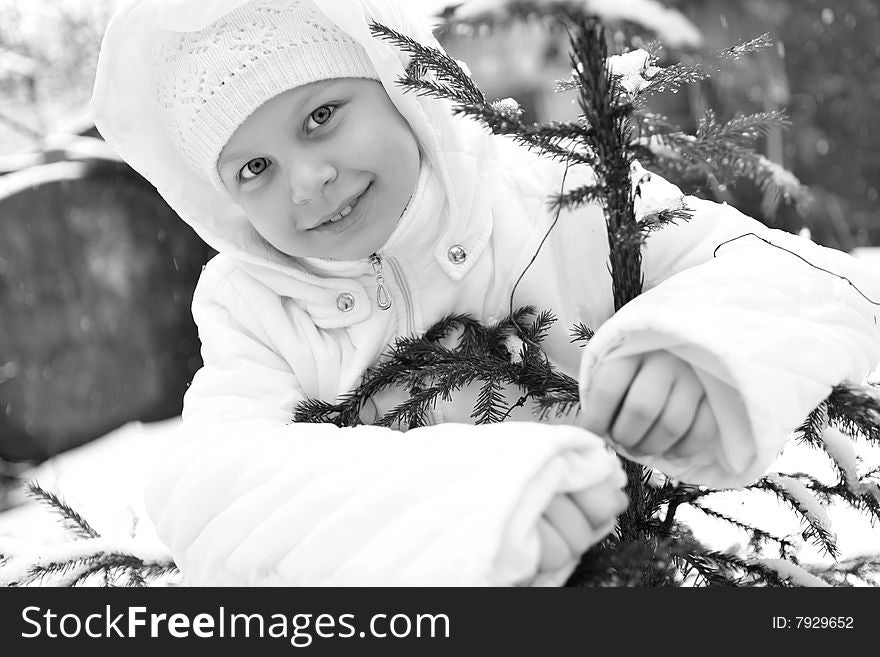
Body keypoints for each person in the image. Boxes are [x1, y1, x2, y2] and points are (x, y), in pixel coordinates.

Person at [91, 0, 880, 586]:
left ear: (397, 88)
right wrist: (478, 505)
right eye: (251, 170)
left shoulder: (546, 192)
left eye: (322, 116)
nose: (306, 181)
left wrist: (694, 348)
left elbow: (809, 279)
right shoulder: (252, 306)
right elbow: (213, 485)